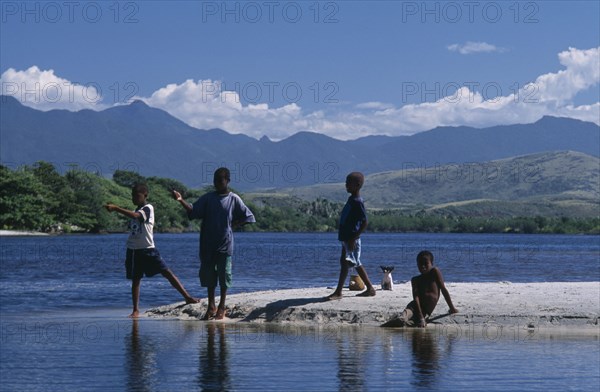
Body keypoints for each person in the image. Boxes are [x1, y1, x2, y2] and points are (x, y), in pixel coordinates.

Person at [172, 167, 255, 320]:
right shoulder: (208, 198)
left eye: (220, 181)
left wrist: (235, 224)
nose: (217, 184)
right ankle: (211, 306)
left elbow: (249, 216)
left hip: (225, 244)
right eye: (215, 181)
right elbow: (193, 210)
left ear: (227, 181)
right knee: (209, 277)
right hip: (207, 244)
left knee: (224, 276)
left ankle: (222, 306)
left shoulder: (233, 198)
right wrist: (180, 200)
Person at [105, 183, 198, 318]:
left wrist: (116, 208)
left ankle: (187, 297)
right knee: (135, 280)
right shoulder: (138, 209)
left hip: (148, 249)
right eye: (133, 196)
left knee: (167, 272)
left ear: (145, 195)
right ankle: (135, 309)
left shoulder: (148, 208)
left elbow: (136, 216)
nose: (134, 198)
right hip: (133, 250)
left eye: (137, 196)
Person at [328, 171, 376, 300]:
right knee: (348, 263)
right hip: (347, 238)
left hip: (351, 239)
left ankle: (340, 292)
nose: (346, 185)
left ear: (358, 185)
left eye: (349, 183)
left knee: (352, 263)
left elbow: (365, 222)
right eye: (346, 183)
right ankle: (368, 288)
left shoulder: (358, 201)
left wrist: (354, 238)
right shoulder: (352, 199)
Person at [384, 250, 458, 327]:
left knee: (410, 324)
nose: (423, 266)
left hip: (426, 311)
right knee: (402, 319)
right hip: (413, 307)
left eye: (426, 263)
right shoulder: (415, 280)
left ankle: (390, 324)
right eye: (420, 264)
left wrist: (452, 308)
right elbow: (416, 298)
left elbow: (443, 290)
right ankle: (383, 327)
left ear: (431, 263)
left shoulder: (434, 272)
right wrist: (421, 317)